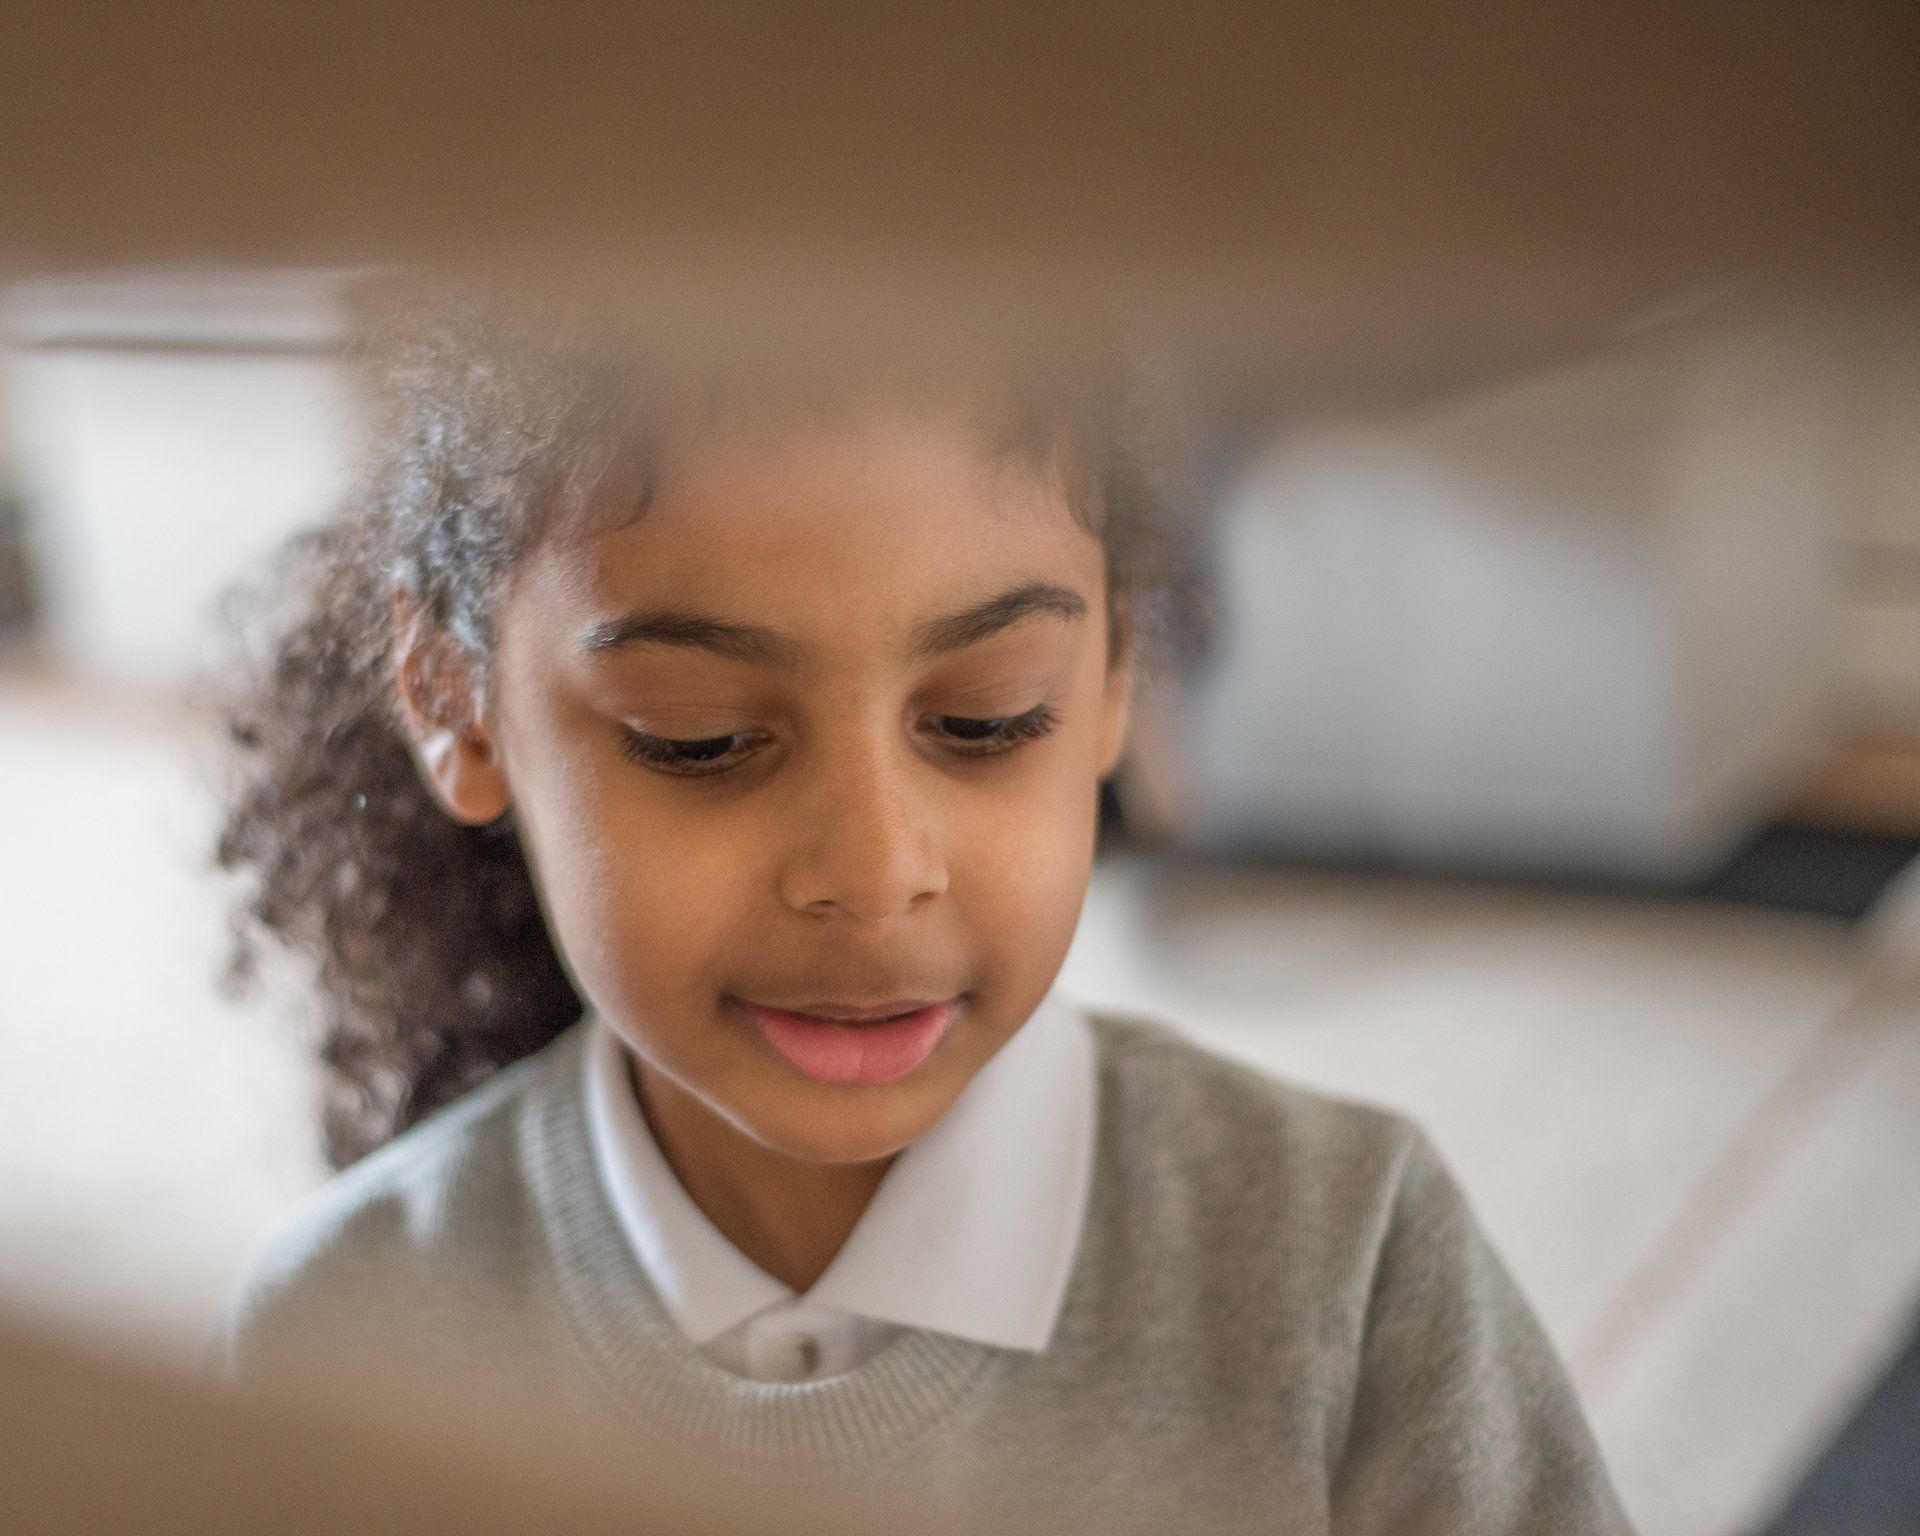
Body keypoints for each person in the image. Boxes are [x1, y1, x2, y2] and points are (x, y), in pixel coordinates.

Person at [208, 283, 1635, 1534]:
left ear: (1117, 666)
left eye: (986, 719)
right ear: (453, 701)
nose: (878, 872)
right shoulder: (341, 1335)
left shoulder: (1349, 1268)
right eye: (701, 737)